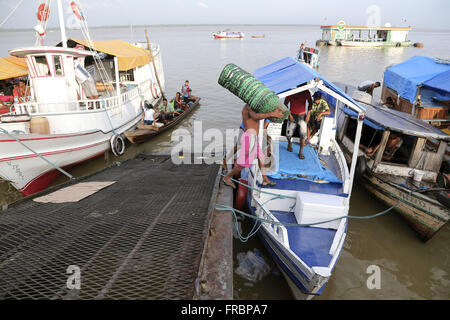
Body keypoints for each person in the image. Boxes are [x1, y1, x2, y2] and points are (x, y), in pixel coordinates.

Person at [223, 104, 284, 189]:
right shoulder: (248, 107)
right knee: (243, 164)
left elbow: (262, 116)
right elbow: (256, 116)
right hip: (249, 138)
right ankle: (227, 178)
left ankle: (265, 179)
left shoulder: (255, 107)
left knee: (261, 157)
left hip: (254, 138)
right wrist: (271, 114)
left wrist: (275, 112)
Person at [285, 89, 312, 159]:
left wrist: (308, 114)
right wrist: (289, 115)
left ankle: (301, 152)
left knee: (303, 135)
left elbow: (310, 102)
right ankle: (289, 143)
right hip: (292, 115)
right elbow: (285, 104)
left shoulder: (306, 91)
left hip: (302, 116)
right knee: (288, 135)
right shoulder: (291, 91)